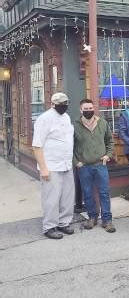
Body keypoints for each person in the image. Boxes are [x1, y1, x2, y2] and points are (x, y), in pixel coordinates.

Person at [32, 92, 75, 239]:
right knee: (51, 198)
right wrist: (43, 168)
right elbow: (37, 146)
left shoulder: (66, 117)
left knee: (68, 197)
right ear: (52, 104)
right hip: (51, 166)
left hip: (66, 164)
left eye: (65, 104)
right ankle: (49, 226)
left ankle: (64, 222)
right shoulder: (44, 119)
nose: (63, 106)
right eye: (60, 104)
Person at [73, 99, 116, 233]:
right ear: (81, 110)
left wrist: (108, 155)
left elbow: (110, 140)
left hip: (100, 165)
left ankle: (107, 220)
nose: (88, 111)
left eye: (90, 108)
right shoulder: (74, 125)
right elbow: (69, 146)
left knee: (104, 192)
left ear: (94, 108)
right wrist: (76, 162)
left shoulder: (102, 123)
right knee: (88, 193)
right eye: (85, 109)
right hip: (84, 166)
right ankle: (92, 217)